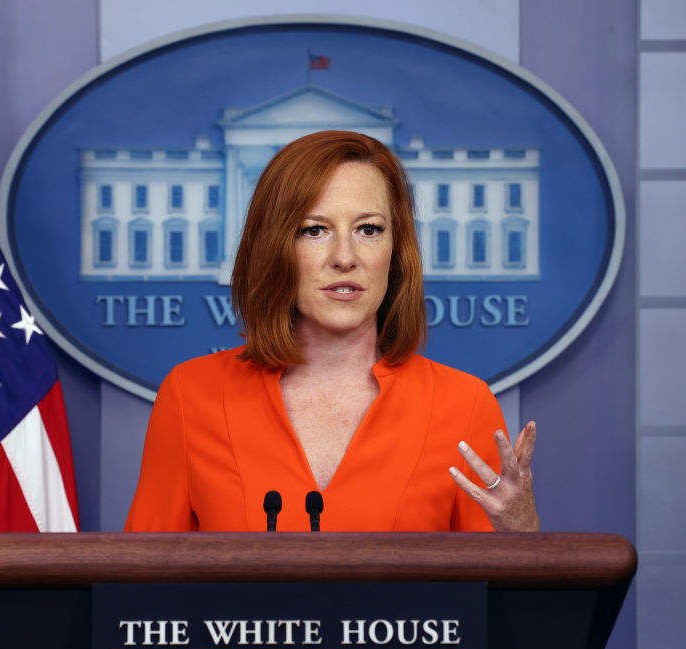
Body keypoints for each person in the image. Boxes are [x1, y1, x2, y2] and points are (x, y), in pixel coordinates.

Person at [124, 131, 538, 533]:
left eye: (369, 230)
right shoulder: (191, 396)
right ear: (273, 248)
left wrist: (522, 535)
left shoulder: (463, 405)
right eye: (314, 230)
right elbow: (141, 588)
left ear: (396, 252)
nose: (345, 257)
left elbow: (500, 595)